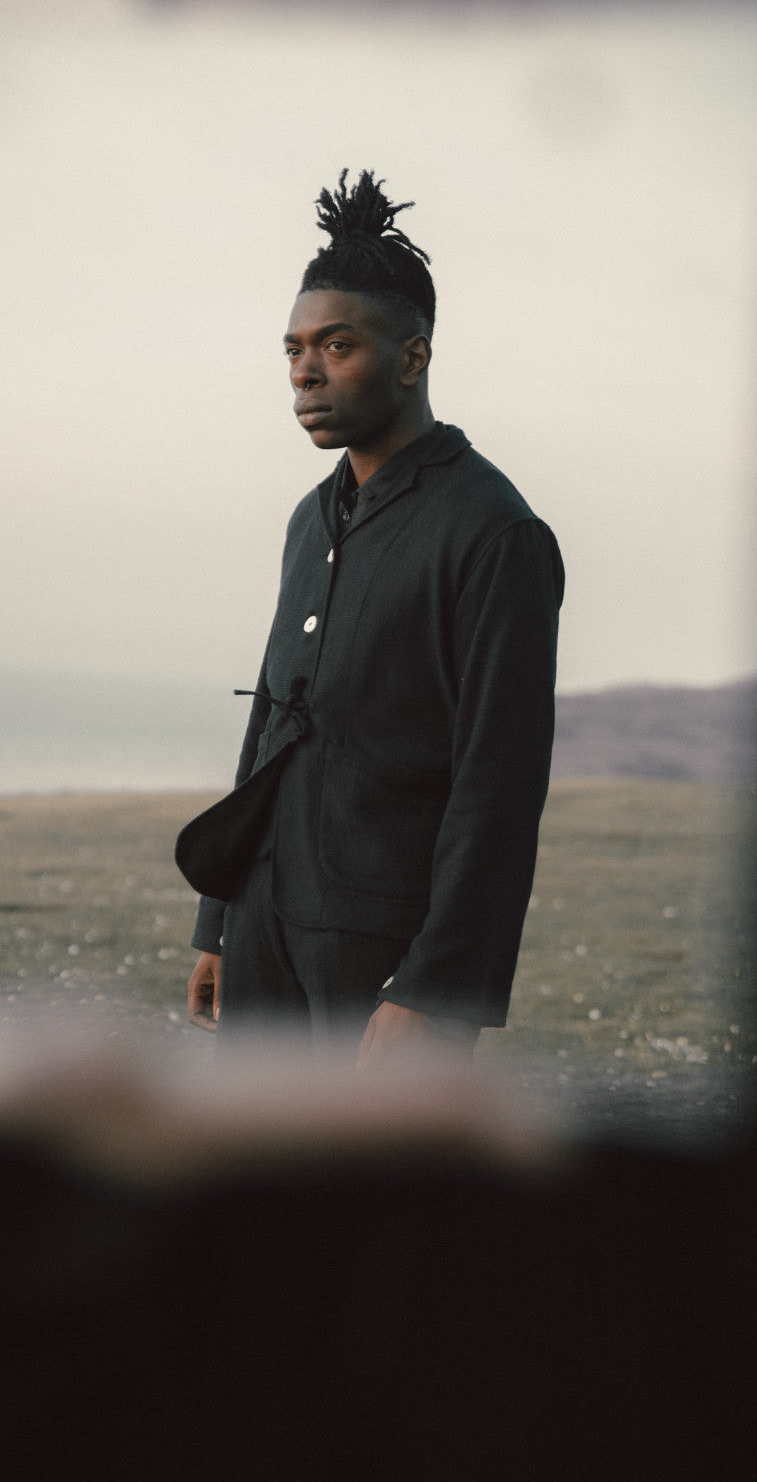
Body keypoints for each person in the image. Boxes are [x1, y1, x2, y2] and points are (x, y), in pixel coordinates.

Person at [176, 169, 564, 1067]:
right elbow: (268, 725)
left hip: (383, 952)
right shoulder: (309, 519)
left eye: (338, 345)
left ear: (412, 357)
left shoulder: (493, 531)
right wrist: (221, 923)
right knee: (253, 1184)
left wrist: (435, 987)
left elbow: (499, 785)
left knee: (371, 1201)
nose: (306, 371)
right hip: (266, 925)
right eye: (293, 349)